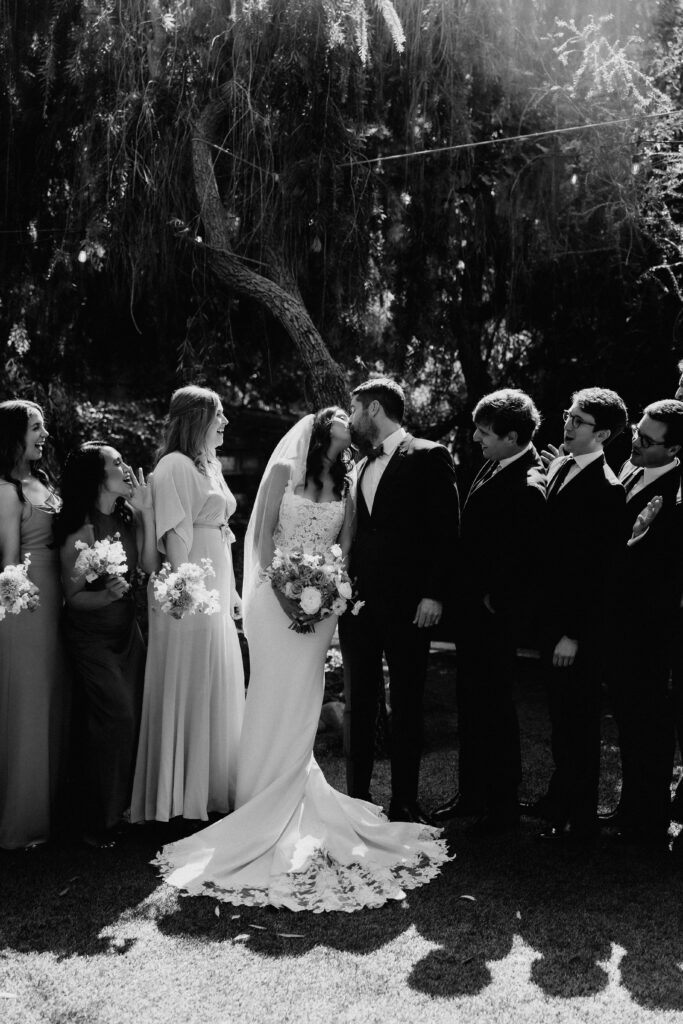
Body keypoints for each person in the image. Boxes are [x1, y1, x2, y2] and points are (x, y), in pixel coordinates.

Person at [152, 408, 450, 912]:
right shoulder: (282, 472)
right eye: (341, 418)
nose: (349, 420)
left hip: (321, 608)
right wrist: (284, 594)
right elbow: (262, 538)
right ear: (322, 428)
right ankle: (254, 800)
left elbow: (345, 550)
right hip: (273, 601)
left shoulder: (348, 483)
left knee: (304, 700)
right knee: (269, 694)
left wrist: (325, 595)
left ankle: (295, 793)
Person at [339, 378, 460, 825]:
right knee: (358, 703)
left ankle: (405, 802)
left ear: (374, 408)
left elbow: (446, 532)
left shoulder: (429, 455)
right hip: (358, 606)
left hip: (410, 606)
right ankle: (356, 798)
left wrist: (434, 593)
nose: (350, 418)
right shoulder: (357, 464)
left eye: (354, 409)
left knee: (406, 702)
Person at [432, 389, 546, 833]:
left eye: (484, 432)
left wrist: (498, 597)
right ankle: (472, 793)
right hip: (471, 614)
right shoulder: (497, 462)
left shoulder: (529, 481)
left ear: (512, 436)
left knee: (495, 707)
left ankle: (502, 805)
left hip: (494, 618)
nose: (476, 438)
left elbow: (531, 554)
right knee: (471, 701)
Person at [130, 386, 245, 823]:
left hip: (216, 588)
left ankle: (210, 789)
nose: (225, 422)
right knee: (191, 682)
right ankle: (178, 800)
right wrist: (186, 590)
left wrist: (232, 592)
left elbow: (220, 531)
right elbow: (175, 538)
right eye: (219, 415)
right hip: (189, 594)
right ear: (197, 419)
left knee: (213, 681)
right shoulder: (174, 465)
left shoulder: (209, 465)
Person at [533, 388, 629, 852]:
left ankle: (582, 822)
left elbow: (599, 574)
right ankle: (563, 806)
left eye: (579, 421)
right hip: (552, 620)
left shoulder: (607, 489)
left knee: (579, 724)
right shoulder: (562, 466)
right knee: (561, 721)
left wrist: (573, 634)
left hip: (577, 630)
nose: (568, 425)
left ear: (603, 434)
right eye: (568, 415)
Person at [56, 443, 158, 848]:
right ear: (98, 477)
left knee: (136, 714)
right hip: (91, 637)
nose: (126, 466)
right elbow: (74, 598)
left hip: (127, 633)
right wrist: (107, 595)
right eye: (116, 463)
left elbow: (147, 565)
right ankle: (97, 820)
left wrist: (146, 513)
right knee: (117, 717)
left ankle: (126, 810)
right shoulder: (81, 529)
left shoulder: (128, 515)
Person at [602, 400, 683, 849]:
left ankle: (649, 819)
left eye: (647, 440)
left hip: (648, 630)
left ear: (674, 450)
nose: (635, 441)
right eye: (637, 430)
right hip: (619, 623)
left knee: (649, 720)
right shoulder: (630, 469)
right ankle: (630, 804)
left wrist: (633, 550)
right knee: (627, 719)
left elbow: (665, 570)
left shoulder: (675, 494)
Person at [0, 399, 69, 850]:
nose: (44, 435)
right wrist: (22, 600)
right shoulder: (8, 491)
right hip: (27, 606)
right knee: (29, 702)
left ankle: (51, 809)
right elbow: (8, 562)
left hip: (57, 600)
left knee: (53, 698)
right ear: (13, 434)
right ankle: (21, 820)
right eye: (35, 427)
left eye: (43, 426)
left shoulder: (41, 481)